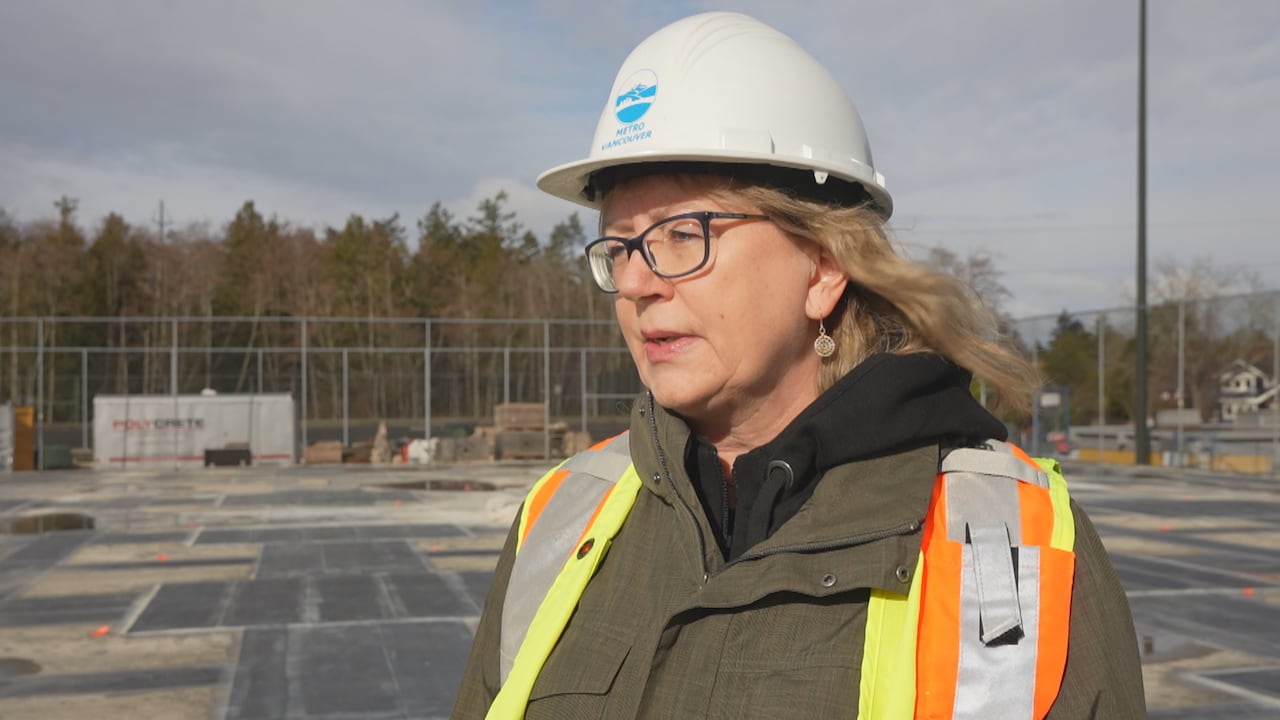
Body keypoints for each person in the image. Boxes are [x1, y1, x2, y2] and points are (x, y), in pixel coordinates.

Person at [452, 11, 1146, 719]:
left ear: (822, 267)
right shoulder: (561, 515)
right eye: (622, 247)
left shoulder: (1010, 542)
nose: (636, 283)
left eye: (683, 234)